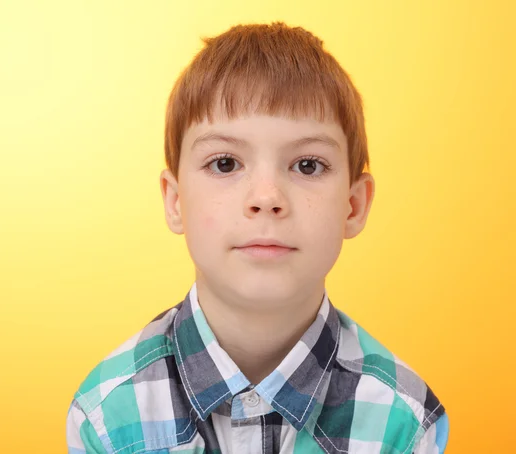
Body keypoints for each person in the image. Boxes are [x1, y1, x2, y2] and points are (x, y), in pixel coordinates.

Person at [66, 22, 449, 453]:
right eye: (226, 163)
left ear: (354, 206)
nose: (266, 198)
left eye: (307, 165)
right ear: (176, 202)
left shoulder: (404, 421)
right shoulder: (107, 414)